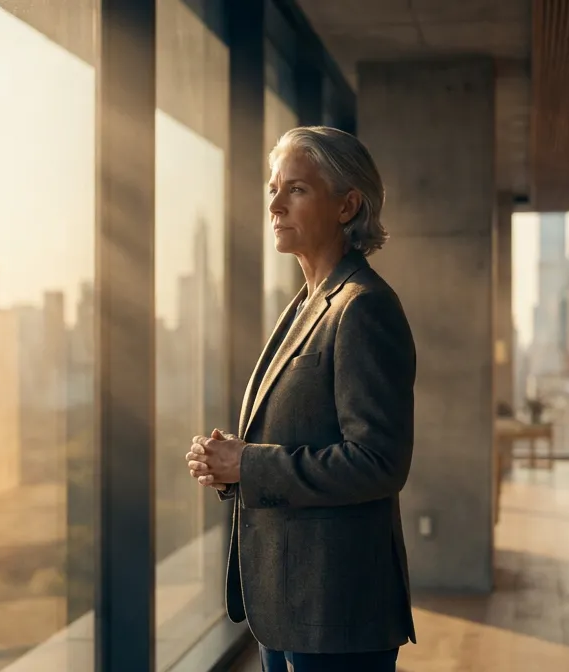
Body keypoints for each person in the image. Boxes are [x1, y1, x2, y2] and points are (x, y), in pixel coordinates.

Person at [185, 126, 417, 671]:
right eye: (273, 188)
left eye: (296, 190)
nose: (273, 204)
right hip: (290, 604)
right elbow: (302, 435)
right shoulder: (307, 303)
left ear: (347, 205)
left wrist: (249, 462)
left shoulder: (363, 308)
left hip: (335, 612)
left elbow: (378, 462)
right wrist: (232, 467)